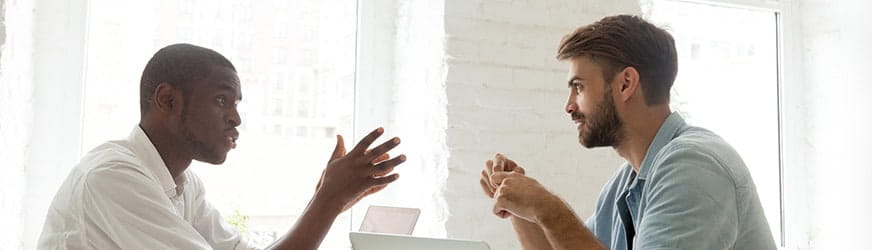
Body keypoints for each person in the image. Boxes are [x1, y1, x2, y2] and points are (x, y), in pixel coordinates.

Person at [39, 43, 406, 250]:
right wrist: (328, 201)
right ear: (167, 100)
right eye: (221, 100)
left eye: (237, 104)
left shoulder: (184, 185)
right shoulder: (113, 178)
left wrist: (325, 200)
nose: (235, 118)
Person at [478, 15, 776, 250]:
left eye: (579, 87)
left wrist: (546, 206)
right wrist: (520, 207)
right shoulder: (624, 184)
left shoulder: (693, 166)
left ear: (625, 84)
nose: (568, 106)